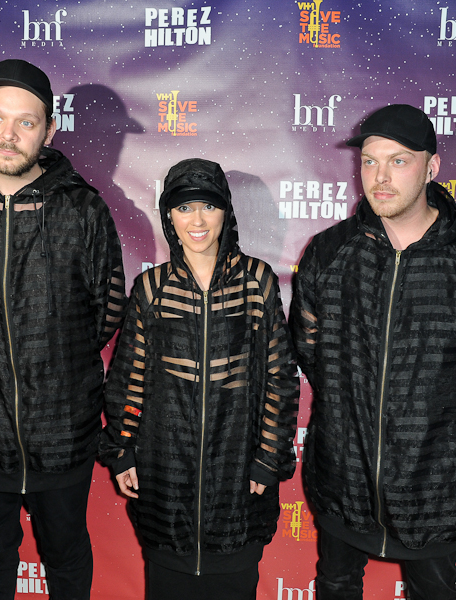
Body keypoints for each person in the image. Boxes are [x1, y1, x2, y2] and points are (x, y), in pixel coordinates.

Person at [289, 104, 456, 599]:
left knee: (434, 591)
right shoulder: (330, 251)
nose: (380, 176)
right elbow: (310, 350)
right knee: (335, 585)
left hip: (436, 481)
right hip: (342, 473)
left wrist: (429, 406)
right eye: (370, 161)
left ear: (431, 168)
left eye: (398, 161)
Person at [0, 59, 126, 600]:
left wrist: (57, 370)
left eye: (27, 122)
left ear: (49, 130)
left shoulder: (83, 210)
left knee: (65, 556)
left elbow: (106, 311)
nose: (9, 135)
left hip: (63, 433)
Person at [100, 158, 299, 600]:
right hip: (164, 479)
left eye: (208, 207)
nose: (197, 220)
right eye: (184, 207)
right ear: (169, 216)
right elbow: (129, 377)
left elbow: (279, 377)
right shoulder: (152, 287)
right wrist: (122, 449)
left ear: (226, 212)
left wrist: (268, 458)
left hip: (238, 483)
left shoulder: (257, 281)